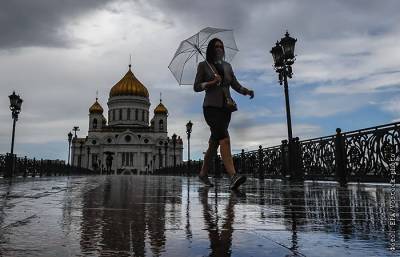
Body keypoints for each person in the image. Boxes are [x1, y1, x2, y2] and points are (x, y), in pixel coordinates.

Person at [193, 38, 254, 190]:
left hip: (226, 108)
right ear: (211, 49)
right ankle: (233, 176)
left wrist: (246, 91)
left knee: (214, 144)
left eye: (221, 46)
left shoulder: (227, 66)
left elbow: (234, 84)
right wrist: (211, 83)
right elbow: (196, 86)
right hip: (211, 108)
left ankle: (203, 173)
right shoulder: (203, 66)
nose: (219, 49)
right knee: (224, 139)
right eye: (216, 46)